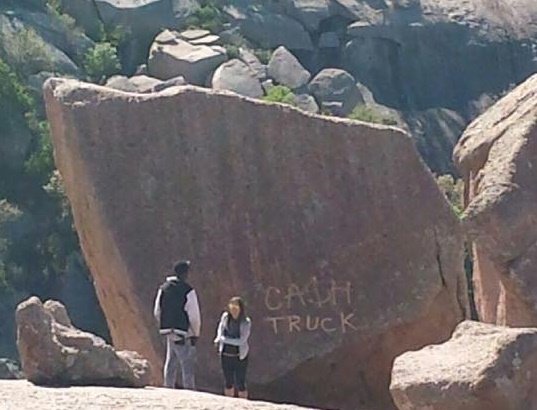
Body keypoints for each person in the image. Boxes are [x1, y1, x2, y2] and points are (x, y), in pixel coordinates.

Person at [153, 260, 201, 390]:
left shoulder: (163, 288)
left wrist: (163, 325)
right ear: (185, 273)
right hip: (183, 332)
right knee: (187, 364)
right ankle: (189, 390)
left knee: (171, 361)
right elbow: (194, 315)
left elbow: (157, 310)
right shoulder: (188, 290)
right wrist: (195, 333)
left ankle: (168, 387)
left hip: (168, 330)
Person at [213, 296, 252, 399]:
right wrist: (218, 338)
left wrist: (224, 340)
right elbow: (220, 329)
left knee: (240, 381)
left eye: (236, 308)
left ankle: (243, 403)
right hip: (225, 354)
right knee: (228, 381)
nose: (234, 310)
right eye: (232, 307)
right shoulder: (225, 317)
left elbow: (242, 340)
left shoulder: (246, 322)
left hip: (239, 356)